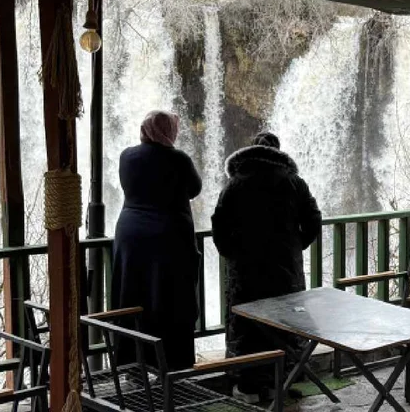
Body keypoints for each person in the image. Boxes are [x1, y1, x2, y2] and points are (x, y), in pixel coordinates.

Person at [212, 131, 321, 402]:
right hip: (285, 269)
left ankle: (248, 387)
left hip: (246, 270)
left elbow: (219, 223)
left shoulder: (235, 184)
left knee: (247, 325)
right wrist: (296, 247)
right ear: (279, 153)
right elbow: (313, 219)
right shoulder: (294, 182)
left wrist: (232, 254)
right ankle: (279, 383)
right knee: (283, 323)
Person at [111, 110, 202, 371]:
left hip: (130, 235)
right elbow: (195, 189)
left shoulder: (126, 155)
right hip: (168, 237)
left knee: (132, 294)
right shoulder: (178, 159)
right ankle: (173, 365)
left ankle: (131, 364)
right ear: (167, 131)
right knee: (171, 299)